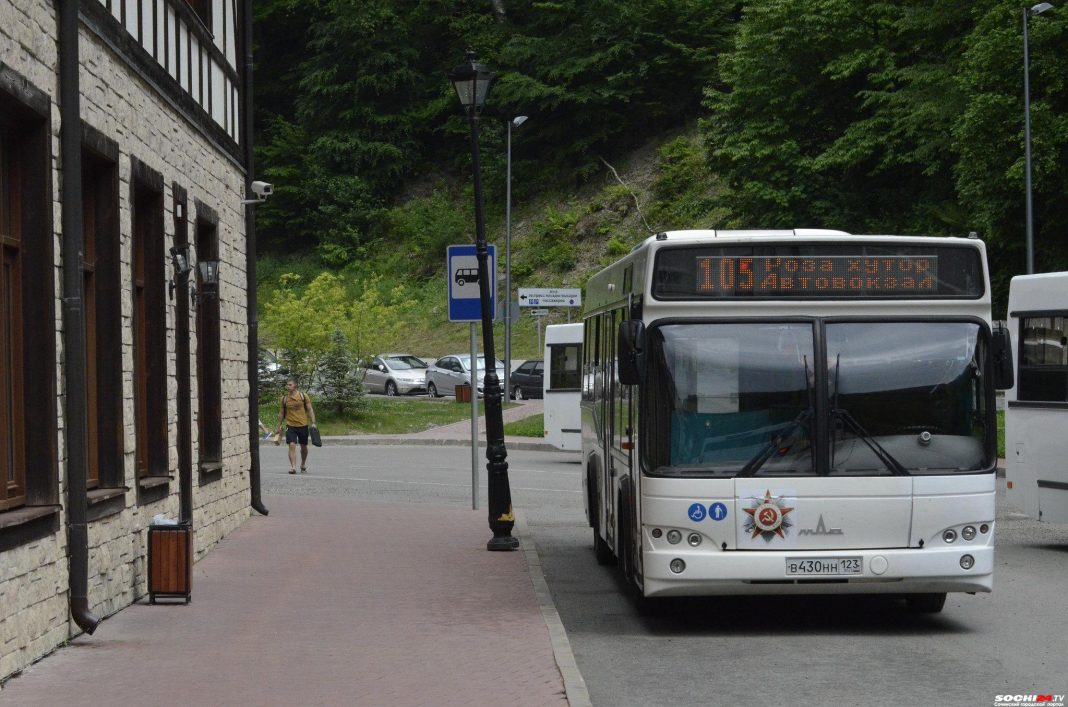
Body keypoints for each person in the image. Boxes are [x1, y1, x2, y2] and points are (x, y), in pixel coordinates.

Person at [275, 378, 317, 474]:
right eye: (287, 385)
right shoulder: (284, 399)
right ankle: (293, 467)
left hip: (303, 424)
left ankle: (302, 464)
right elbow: (281, 413)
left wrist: (313, 422)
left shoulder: (303, 396)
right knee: (292, 445)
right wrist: (278, 426)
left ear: (295, 386)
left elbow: (310, 409)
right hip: (290, 425)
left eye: (290, 385)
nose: (288, 386)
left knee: (303, 446)